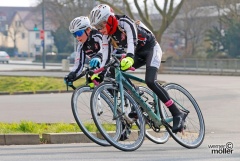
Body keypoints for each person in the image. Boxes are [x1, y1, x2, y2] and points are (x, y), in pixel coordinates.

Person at [89, 4, 187, 133]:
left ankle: (177, 113)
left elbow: (132, 41)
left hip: (151, 49)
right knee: (112, 73)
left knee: (150, 81)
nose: (100, 30)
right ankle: (136, 100)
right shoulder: (106, 35)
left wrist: (129, 56)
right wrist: (99, 73)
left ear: (109, 20)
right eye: (97, 28)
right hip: (137, 54)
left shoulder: (124, 22)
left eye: (101, 26)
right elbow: (106, 56)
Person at [64, 16, 104, 85]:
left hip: (111, 60)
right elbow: (79, 64)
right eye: (74, 34)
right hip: (100, 66)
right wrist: (72, 75)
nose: (77, 37)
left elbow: (105, 48)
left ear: (88, 30)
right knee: (91, 82)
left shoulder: (97, 35)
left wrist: (99, 56)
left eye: (79, 33)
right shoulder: (81, 45)